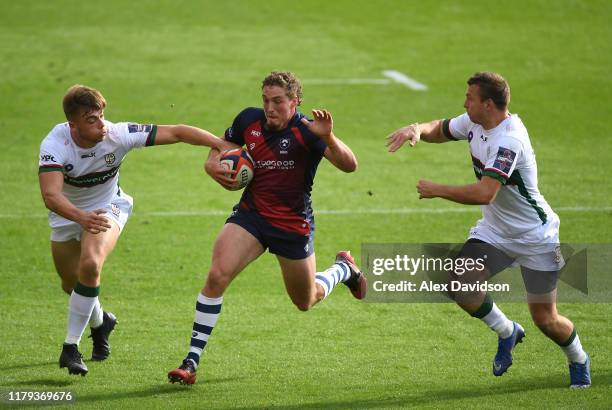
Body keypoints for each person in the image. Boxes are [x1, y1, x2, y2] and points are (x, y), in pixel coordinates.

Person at [386, 72, 591, 389]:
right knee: (458, 281)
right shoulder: (476, 122)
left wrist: (437, 189)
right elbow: (440, 128)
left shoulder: (509, 141)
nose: (464, 103)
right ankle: (508, 331)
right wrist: (416, 129)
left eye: (469, 98)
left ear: (489, 104)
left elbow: (486, 193)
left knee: (546, 320)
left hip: (536, 237)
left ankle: (578, 359)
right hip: (495, 233)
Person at [167, 71, 366, 385]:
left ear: (294, 102)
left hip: (292, 225)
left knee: (305, 301)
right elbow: (222, 147)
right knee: (217, 274)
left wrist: (328, 137)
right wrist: (212, 165)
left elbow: (349, 164)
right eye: (265, 100)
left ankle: (344, 269)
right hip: (252, 217)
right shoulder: (249, 120)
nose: (269, 108)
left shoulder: (308, 132)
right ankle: (191, 360)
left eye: (278, 101)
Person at [39, 84, 232, 376]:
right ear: (72, 124)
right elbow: (51, 197)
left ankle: (70, 348)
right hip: (70, 215)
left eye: (102, 115)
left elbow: (178, 132)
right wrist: (81, 218)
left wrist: (222, 145)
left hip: (108, 207)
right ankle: (101, 322)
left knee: (91, 265)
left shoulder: (118, 135)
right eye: (92, 119)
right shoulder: (55, 145)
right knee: (71, 285)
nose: (102, 124)